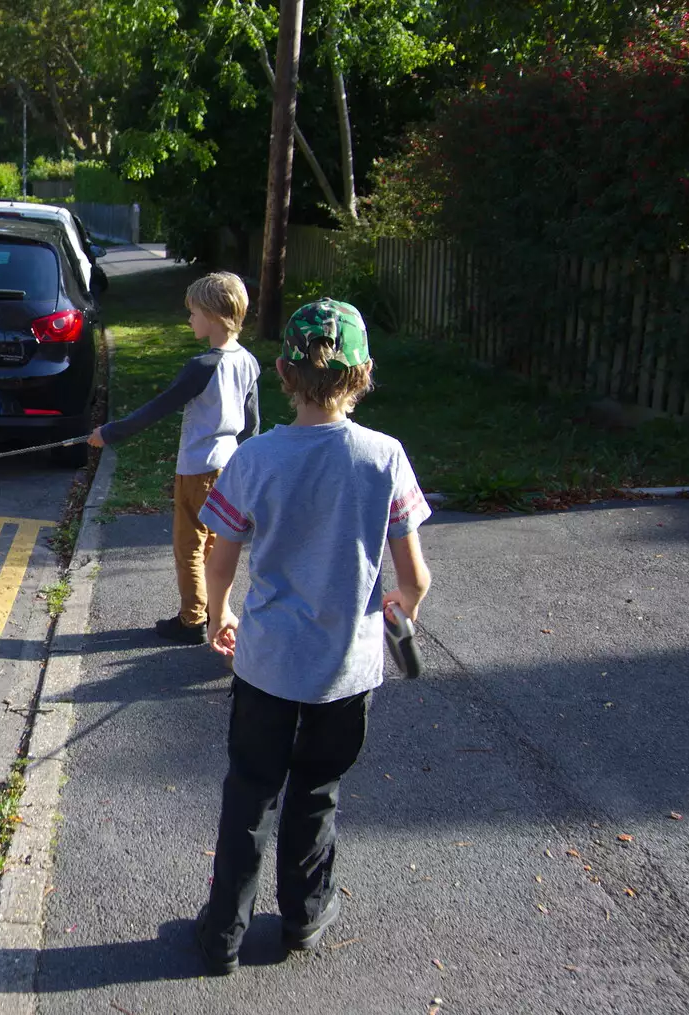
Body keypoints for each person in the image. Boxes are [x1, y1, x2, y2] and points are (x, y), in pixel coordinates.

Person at [192, 298, 433, 974]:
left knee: (250, 792)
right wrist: (397, 606)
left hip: (267, 664)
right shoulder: (385, 457)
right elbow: (415, 576)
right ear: (363, 374)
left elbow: (221, 551)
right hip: (345, 673)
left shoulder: (256, 458)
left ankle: (221, 936)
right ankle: (302, 917)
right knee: (316, 793)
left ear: (283, 373)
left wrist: (221, 614)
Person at [88, 272, 260, 644]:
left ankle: (191, 620)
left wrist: (110, 432)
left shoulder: (202, 366)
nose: (189, 319)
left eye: (194, 312)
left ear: (214, 316)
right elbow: (252, 424)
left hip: (198, 469)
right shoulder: (248, 361)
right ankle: (217, 610)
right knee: (217, 545)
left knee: (189, 548)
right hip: (229, 465)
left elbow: (157, 408)